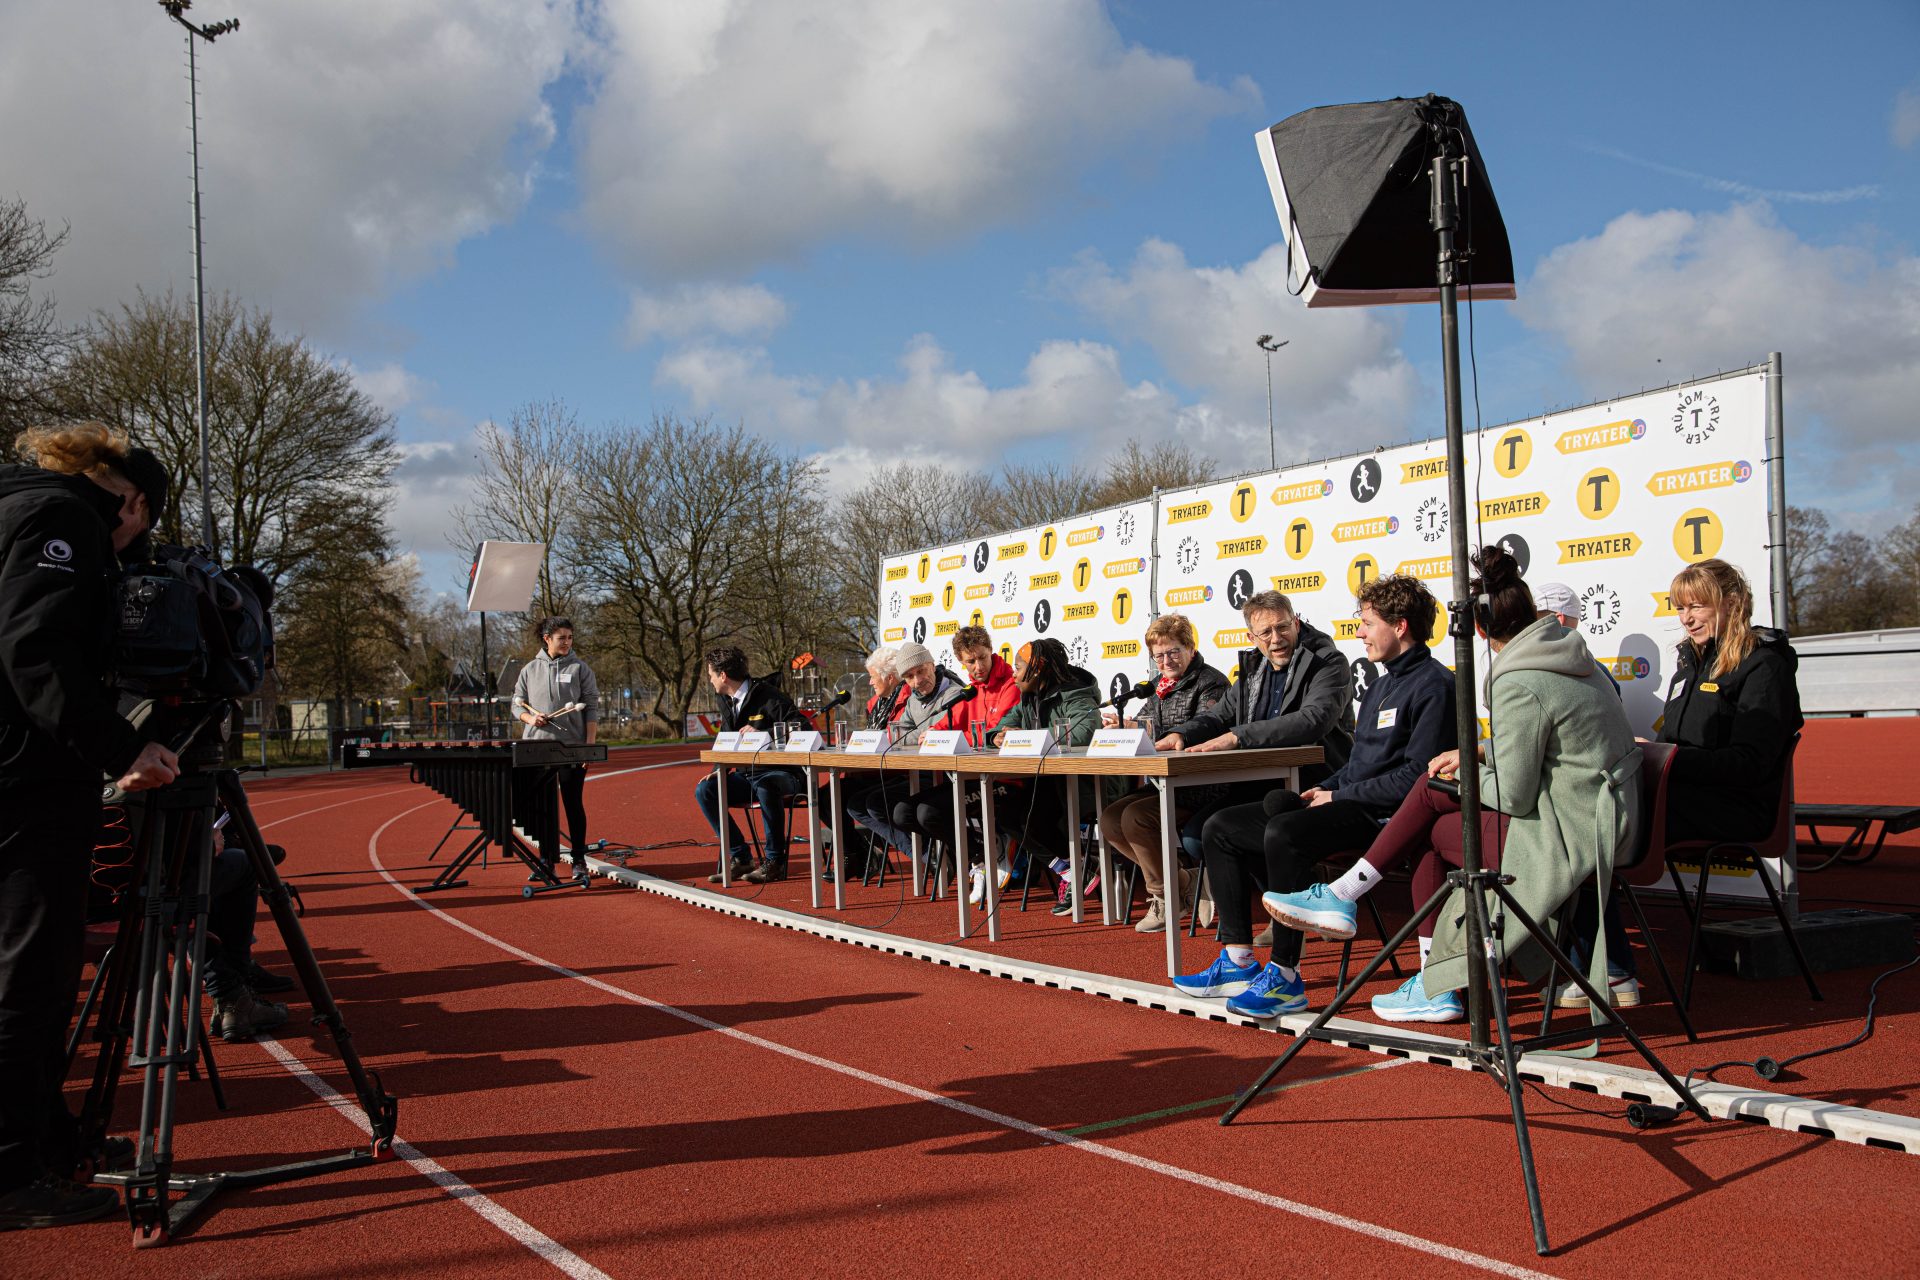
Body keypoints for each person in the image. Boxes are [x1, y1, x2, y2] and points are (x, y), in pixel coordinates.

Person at [1265, 546, 1638, 1023]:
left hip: (1572, 830)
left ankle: (1361, 909)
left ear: (1478, 629)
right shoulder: (1568, 656)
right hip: (1601, 815)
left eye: (1365, 621)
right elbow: (1555, 746)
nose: (1358, 632)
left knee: (1431, 791)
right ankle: (1431, 975)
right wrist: (1474, 754)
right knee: (1434, 821)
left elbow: (1515, 793)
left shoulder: (1518, 678)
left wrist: (1463, 770)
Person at [1, 423, 181, 1229]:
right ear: (131, 501)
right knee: (30, 975)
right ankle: (13, 1173)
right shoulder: (64, 519)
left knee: (29, 972)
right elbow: (35, 651)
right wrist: (121, 746)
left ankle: (45, 1138)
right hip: (22, 780)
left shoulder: (14, 503)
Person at [1175, 574, 1455, 1019]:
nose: (1359, 632)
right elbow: (1364, 762)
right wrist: (1329, 787)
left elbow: (1416, 781)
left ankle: (1285, 977)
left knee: (1285, 831)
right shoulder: (1382, 683)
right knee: (1221, 827)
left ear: (1399, 626)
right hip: (1350, 800)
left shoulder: (1435, 685)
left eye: (1365, 622)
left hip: (1386, 818)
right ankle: (1238, 962)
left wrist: (1341, 793)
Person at [1095, 613, 1230, 932]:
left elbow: (1206, 728)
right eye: (1159, 655)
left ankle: (1166, 897)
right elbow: (1146, 729)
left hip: (1202, 784)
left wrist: (1144, 729)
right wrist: (1125, 726)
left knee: (1135, 818)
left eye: (1173, 652)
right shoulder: (1157, 686)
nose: (1166, 660)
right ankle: (1184, 881)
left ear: (1190, 649)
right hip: (1165, 782)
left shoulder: (1212, 682)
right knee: (1110, 820)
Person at [694, 645, 802, 884]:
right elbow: (726, 741)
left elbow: (802, 728)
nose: (710, 681)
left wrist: (763, 731)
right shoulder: (727, 701)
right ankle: (741, 858)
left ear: (723, 675)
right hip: (747, 775)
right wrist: (717, 771)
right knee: (706, 790)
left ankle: (775, 862)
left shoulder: (770, 696)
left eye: (711, 675)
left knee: (766, 784)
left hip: (783, 774)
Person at [511, 616, 600, 881]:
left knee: (573, 803)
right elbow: (517, 705)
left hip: (572, 748)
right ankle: (546, 860)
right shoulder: (529, 670)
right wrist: (530, 718)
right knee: (542, 807)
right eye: (562, 638)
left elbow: (591, 707)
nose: (567, 642)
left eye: (570, 637)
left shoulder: (580, 668)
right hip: (536, 749)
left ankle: (579, 859)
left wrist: (589, 746)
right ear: (547, 638)